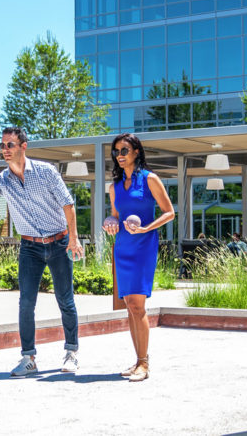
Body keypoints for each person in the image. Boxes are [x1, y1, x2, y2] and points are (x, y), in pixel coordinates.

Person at [0, 127, 84, 376]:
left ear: (24, 146)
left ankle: (71, 353)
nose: (5, 150)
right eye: (3, 145)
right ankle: (29, 359)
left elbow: (68, 205)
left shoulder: (46, 172)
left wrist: (74, 240)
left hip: (59, 243)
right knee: (26, 303)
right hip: (30, 248)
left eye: (10, 145)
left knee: (65, 300)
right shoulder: (3, 180)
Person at [102, 133, 175, 382]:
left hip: (144, 246)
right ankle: (137, 361)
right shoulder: (114, 186)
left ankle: (144, 364)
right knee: (130, 308)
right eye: (116, 152)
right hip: (122, 247)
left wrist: (147, 228)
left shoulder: (150, 179)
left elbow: (170, 213)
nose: (119, 156)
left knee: (138, 305)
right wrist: (110, 221)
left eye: (124, 151)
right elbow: (115, 215)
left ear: (136, 152)